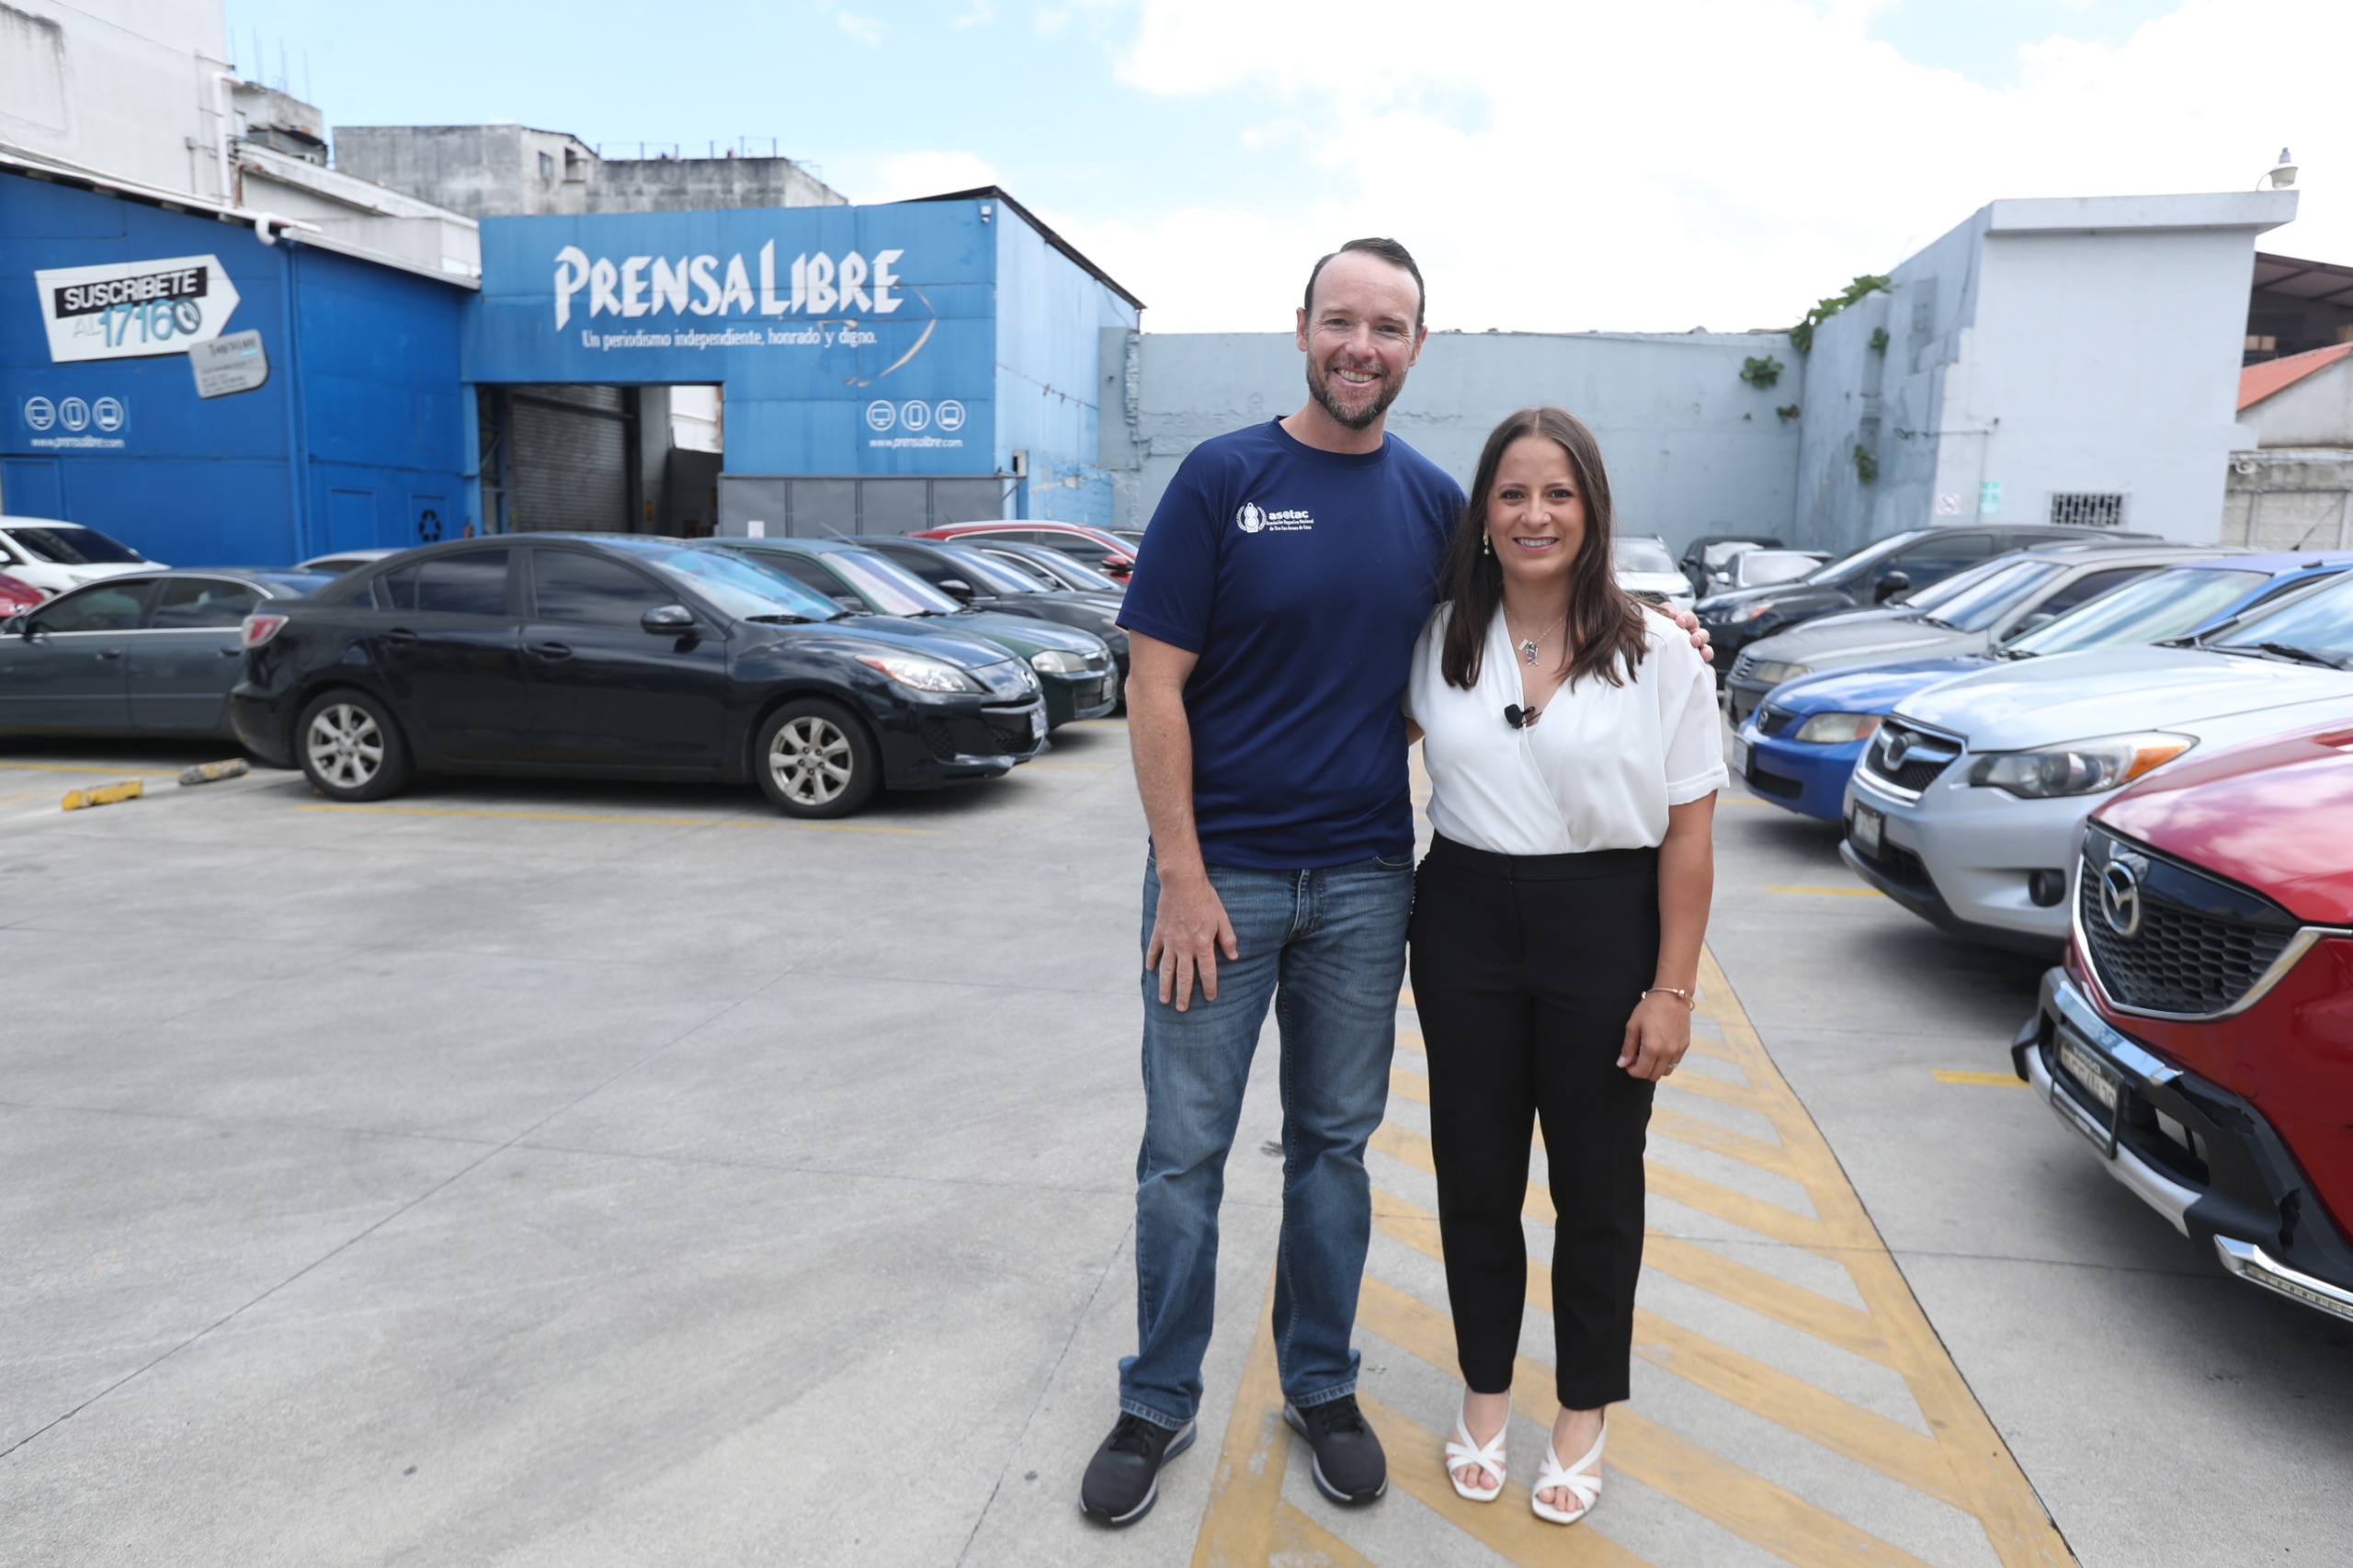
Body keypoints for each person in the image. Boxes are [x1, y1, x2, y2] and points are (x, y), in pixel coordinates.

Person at [1079, 242, 1711, 1528]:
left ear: (1419, 345)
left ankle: (1322, 1383)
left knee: (1332, 1151)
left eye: (1390, 326)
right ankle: (1158, 1395)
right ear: (1302, 328)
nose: (1362, 345)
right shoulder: (1220, 479)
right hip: (1222, 880)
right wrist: (1184, 874)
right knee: (1184, 1152)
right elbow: (1154, 685)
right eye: (1342, 321)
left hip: (1371, 880)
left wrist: (1656, 619)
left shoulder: (1434, 503)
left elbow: (1529, 608)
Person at [1404, 405, 1722, 1526]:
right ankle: (1485, 1385)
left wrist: (1671, 986)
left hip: (1603, 925)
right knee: (1474, 1176)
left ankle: (1583, 1405)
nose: (1534, 513)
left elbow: (1689, 832)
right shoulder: (1440, 634)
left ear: (1590, 510)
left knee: (1597, 1185)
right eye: (1511, 493)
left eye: (1558, 493)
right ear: (1481, 514)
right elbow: (1347, 736)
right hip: (1461, 923)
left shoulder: (1662, 652)